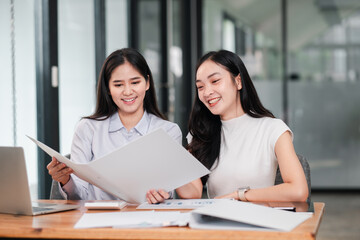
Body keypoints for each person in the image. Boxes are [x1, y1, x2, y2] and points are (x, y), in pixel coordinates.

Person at [147, 49, 308, 203]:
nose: (207, 92)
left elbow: (298, 190)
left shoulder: (273, 129)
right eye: (200, 87)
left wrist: (239, 196)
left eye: (215, 81)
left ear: (238, 81)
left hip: (259, 225)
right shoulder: (201, 134)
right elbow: (193, 193)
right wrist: (170, 161)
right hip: (216, 226)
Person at [47, 48, 182, 200]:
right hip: (99, 220)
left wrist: (161, 195)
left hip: (148, 218)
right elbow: (79, 196)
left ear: (147, 83)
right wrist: (65, 179)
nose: (128, 91)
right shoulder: (87, 128)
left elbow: (167, 189)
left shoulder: (168, 131)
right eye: (118, 85)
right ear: (108, 89)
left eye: (135, 82)